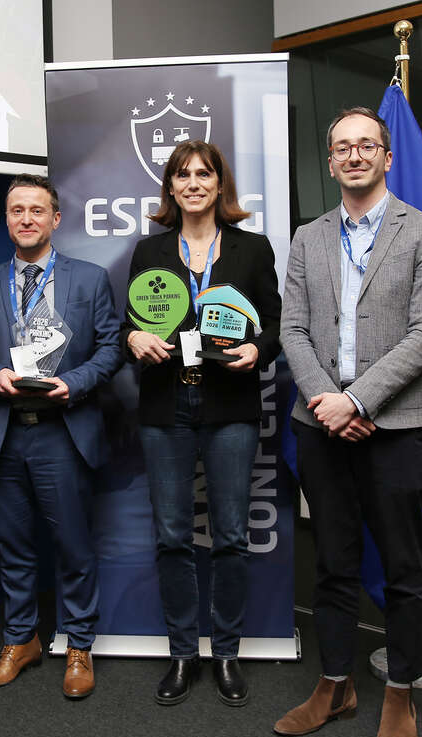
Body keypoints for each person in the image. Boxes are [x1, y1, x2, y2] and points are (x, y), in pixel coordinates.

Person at [274, 108, 422, 737]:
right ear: (330, 162)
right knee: (332, 564)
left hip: (395, 426)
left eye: (366, 145)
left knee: (403, 566)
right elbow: (292, 328)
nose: (354, 155)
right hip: (321, 425)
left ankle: (401, 689)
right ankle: (335, 684)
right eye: (342, 147)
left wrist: (355, 401)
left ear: (386, 156)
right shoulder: (308, 236)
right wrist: (328, 403)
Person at [121, 141, 281, 707]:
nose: (193, 183)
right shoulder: (149, 250)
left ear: (219, 185)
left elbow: (275, 325)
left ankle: (227, 653)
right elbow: (128, 324)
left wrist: (258, 350)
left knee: (231, 536)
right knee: (172, 537)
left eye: (203, 174)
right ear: (170, 186)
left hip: (229, 405)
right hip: (165, 405)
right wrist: (133, 339)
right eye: (183, 175)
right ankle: (183, 653)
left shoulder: (252, 248)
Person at [0, 174, 123, 699]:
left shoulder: (89, 279)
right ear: (7, 219)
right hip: (5, 432)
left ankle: (78, 645)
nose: (26, 219)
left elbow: (111, 348)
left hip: (62, 432)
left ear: (55, 219)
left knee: (73, 546)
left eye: (36, 210)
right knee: (13, 546)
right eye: (16, 210)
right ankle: (20, 640)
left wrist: (75, 382)